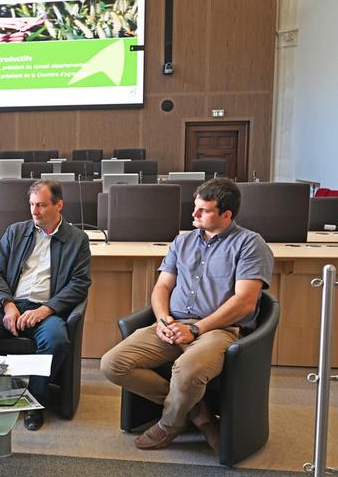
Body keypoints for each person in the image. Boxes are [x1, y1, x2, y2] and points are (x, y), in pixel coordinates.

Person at [100, 178, 274, 451]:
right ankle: (198, 414)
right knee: (112, 364)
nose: (193, 214)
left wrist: (196, 329)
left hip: (219, 330)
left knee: (186, 372)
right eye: (195, 207)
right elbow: (163, 287)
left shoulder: (250, 244)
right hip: (172, 324)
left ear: (227, 215)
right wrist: (162, 319)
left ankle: (169, 424)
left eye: (203, 210)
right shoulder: (182, 242)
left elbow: (245, 303)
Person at [0, 180, 92, 431]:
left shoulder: (77, 239)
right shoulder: (15, 232)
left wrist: (46, 310)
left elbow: (79, 284)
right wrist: (8, 304)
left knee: (56, 341)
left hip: (47, 309)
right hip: (8, 304)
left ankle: (33, 401)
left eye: (42, 205)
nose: (34, 211)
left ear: (59, 205)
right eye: (32, 204)